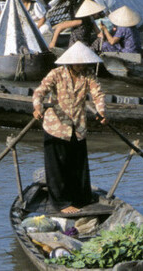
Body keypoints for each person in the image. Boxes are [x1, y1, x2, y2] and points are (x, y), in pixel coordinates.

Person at [32, 41, 108, 214]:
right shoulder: (57, 74)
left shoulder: (88, 75)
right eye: (78, 62)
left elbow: (98, 95)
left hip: (77, 126)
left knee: (77, 164)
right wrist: (37, 107)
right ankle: (61, 203)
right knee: (57, 167)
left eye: (83, 62)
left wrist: (101, 112)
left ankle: (81, 198)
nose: (81, 65)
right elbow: (40, 91)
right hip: (56, 125)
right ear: (70, 62)